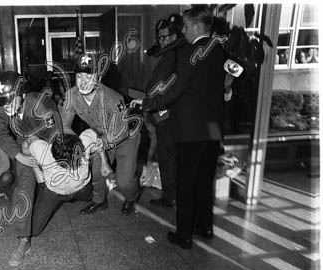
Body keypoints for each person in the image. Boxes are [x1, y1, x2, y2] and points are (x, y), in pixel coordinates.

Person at [148, 5, 226, 249]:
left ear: (196, 26)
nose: (183, 30)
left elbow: (177, 88)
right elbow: (227, 82)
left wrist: (149, 103)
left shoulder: (191, 52)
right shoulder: (219, 51)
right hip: (213, 129)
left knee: (186, 181)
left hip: (191, 130)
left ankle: (184, 235)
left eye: (185, 25)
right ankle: (205, 227)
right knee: (205, 179)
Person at [0, 70, 62, 267]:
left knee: (63, 189)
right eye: (2, 102)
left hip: (49, 145)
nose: (6, 106)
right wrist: (19, 155)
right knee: (23, 187)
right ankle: (24, 240)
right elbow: (0, 133)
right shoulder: (2, 108)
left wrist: (41, 153)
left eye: (10, 100)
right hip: (25, 148)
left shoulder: (42, 104)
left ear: (22, 94)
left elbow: (57, 134)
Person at [61, 53, 143, 215]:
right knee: (96, 172)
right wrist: (79, 143)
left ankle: (132, 197)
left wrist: (97, 145)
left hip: (126, 137)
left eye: (88, 76)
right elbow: (64, 126)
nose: (83, 82)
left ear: (98, 78)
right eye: (79, 76)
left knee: (124, 182)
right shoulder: (72, 96)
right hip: (100, 136)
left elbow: (122, 131)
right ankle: (99, 201)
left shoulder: (112, 98)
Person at [130, 15, 184, 208]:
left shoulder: (177, 54)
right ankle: (171, 194)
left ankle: (171, 196)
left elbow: (170, 88)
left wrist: (148, 104)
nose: (160, 41)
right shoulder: (168, 53)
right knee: (166, 155)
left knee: (168, 156)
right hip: (160, 113)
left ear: (175, 35)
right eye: (159, 37)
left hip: (167, 114)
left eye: (164, 36)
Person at [25, 129, 112, 237]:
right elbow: (29, 140)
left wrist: (104, 162)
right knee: (33, 231)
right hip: (52, 193)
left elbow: (98, 141)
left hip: (81, 189)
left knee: (89, 196)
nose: (73, 167)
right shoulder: (43, 151)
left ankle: (99, 199)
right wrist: (35, 168)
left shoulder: (85, 141)